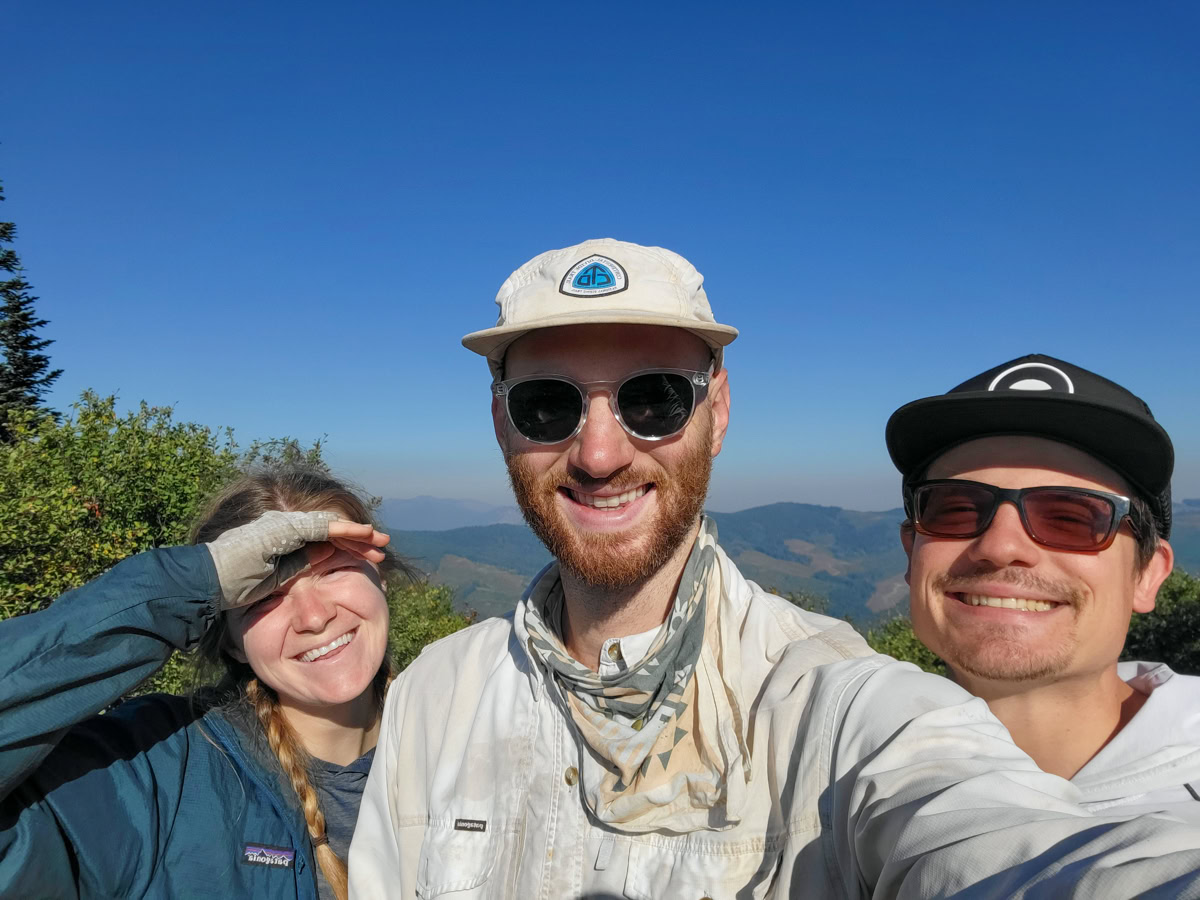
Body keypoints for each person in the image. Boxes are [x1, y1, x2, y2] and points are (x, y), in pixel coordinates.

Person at [351, 239, 1200, 898]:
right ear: (503, 424)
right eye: (548, 405)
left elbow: (998, 840)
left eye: (654, 399)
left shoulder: (830, 694)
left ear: (716, 412)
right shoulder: (434, 699)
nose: (601, 452)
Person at [0, 465, 405, 899]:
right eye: (265, 597)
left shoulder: (459, 732)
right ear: (231, 642)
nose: (315, 617)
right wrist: (194, 581)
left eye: (333, 570)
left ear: (378, 578)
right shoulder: (153, 776)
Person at [888, 353, 1200, 822]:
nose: (1000, 544)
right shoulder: (833, 768)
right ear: (912, 554)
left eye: (1071, 516)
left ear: (1148, 574)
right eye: (954, 509)